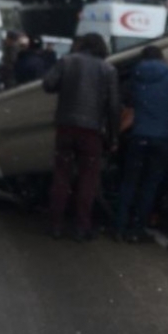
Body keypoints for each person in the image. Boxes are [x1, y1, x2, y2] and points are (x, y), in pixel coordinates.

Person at [42, 32, 120, 241]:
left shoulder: (67, 61)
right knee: (88, 179)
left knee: (61, 176)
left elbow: (48, 84)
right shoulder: (108, 69)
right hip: (92, 131)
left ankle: (55, 224)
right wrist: (114, 136)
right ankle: (81, 227)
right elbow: (113, 106)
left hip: (66, 127)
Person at [115, 45, 168, 242]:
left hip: (138, 135)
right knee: (150, 184)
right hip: (163, 138)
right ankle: (137, 228)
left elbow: (127, 104)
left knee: (129, 182)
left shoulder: (134, 76)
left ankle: (119, 227)